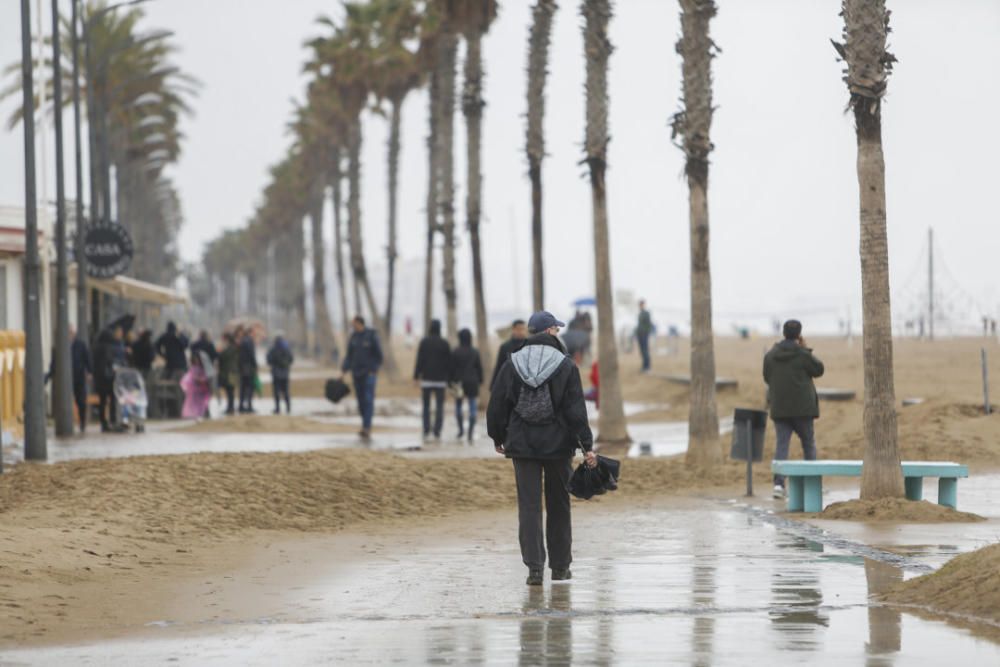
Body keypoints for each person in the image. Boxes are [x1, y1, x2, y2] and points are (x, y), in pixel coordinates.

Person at [487, 311, 596, 586]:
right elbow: (575, 410)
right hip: (559, 447)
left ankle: (534, 569)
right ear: (548, 332)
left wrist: (497, 436)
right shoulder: (565, 365)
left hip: (522, 445)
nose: (558, 334)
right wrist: (586, 445)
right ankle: (560, 568)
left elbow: (498, 403)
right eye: (556, 330)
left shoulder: (512, 363)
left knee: (529, 506)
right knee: (559, 505)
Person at [764, 319, 825, 499]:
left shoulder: (771, 355)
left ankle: (778, 485)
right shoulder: (802, 354)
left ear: (783, 333)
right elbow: (819, 369)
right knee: (808, 444)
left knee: (782, 445)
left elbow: (767, 377)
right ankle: (811, 482)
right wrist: (805, 349)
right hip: (803, 408)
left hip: (780, 407)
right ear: (799, 334)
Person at [342, 316, 383, 440]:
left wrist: (374, 370)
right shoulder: (353, 337)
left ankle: (367, 427)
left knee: (368, 399)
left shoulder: (371, 336)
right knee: (360, 401)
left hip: (369, 374)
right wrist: (343, 370)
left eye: (354, 324)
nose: (352, 326)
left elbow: (379, 355)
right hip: (356, 373)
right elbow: (349, 356)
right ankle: (364, 424)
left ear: (360, 323)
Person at [413, 319, 451, 441]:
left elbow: (420, 359)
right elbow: (448, 363)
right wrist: (449, 379)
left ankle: (426, 429)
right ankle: (437, 430)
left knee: (426, 406)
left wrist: (416, 376)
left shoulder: (424, 342)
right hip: (440, 380)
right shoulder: (444, 343)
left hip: (427, 379)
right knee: (440, 406)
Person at [451, 328, 483, 442]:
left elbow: (452, 368)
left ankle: (460, 430)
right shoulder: (474, 351)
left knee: (458, 406)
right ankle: (470, 432)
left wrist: (451, 382)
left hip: (459, 382)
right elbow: (479, 367)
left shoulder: (455, 351)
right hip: (472, 382)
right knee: (472, 407)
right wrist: (480, 380)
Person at [92, 327, 121, 432]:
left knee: (102, 402)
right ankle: (113, 421)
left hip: (99, 380)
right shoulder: (109, 348)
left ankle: (103, 422)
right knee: (113, 400)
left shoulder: (96, 348)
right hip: (109, 379)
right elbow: (110, 362)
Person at [491, 319, 528, 388]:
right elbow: (499, 366)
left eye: (523, 329)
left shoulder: (529, 346)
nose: (521, 332)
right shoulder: (505, 347)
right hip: (509, 384)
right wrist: (493, 385)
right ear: (513, 330)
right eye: (519, 329)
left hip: (525, 385)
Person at [70, 327, 92, 433]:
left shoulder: (80, 344)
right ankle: (68, 422)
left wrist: (89, 372)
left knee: (81, 401)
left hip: (79, 376)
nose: (70, 334)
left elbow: (87, 358)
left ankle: (82, 422)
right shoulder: (60, 344)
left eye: (71, 332)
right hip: (66, 378)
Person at [267, 333, 295, 415]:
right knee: (286, 391)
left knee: (276, 392)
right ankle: (288, 408)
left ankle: (277, 408)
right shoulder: (287, 349)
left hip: (276, 374)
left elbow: (269, 360)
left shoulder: (272, 349)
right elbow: (291, 359)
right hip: (285, 374)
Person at [180, 351, 212, 420]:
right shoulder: (192, 368)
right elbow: (189, 377)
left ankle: (200, 413)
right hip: (193, 389)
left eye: (197, 359)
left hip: (202, 389)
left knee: (202, 403)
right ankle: (191, 414)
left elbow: (205, 378)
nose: (196, 361)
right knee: (192, 403)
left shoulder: (203, 369)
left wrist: (201, 380)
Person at [238, 326, 258, 414]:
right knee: (249, 387)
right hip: (248, 367)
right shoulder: (249, 341)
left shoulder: (242, 341)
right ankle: (249, 406)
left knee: (243, 387)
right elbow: (251, 355)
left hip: (242, 367)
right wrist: (255, 365)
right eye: (254, 332)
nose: (255, 334)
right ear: (250, 332)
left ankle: (241, 406)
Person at [218, 332, 239, 415]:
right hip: (232, 372)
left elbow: (222, 357)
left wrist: (221, 349)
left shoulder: (231, 348)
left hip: (230, 373)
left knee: (230, 391)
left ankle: (231, 407)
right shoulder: (234, 347)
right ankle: (230, 407)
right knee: (230, 391)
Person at [635, 300, 653, 373]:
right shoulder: (640, 313)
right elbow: (639, 325)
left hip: (644, 334)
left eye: (642, 304)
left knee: (645, 350)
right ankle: (644, 366)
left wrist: (646, 333)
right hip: (640, 334)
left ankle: (647, 367)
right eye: (640, 305)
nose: (641, 306)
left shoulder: (646, 313)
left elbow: (649, 325)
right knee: (642, 351)